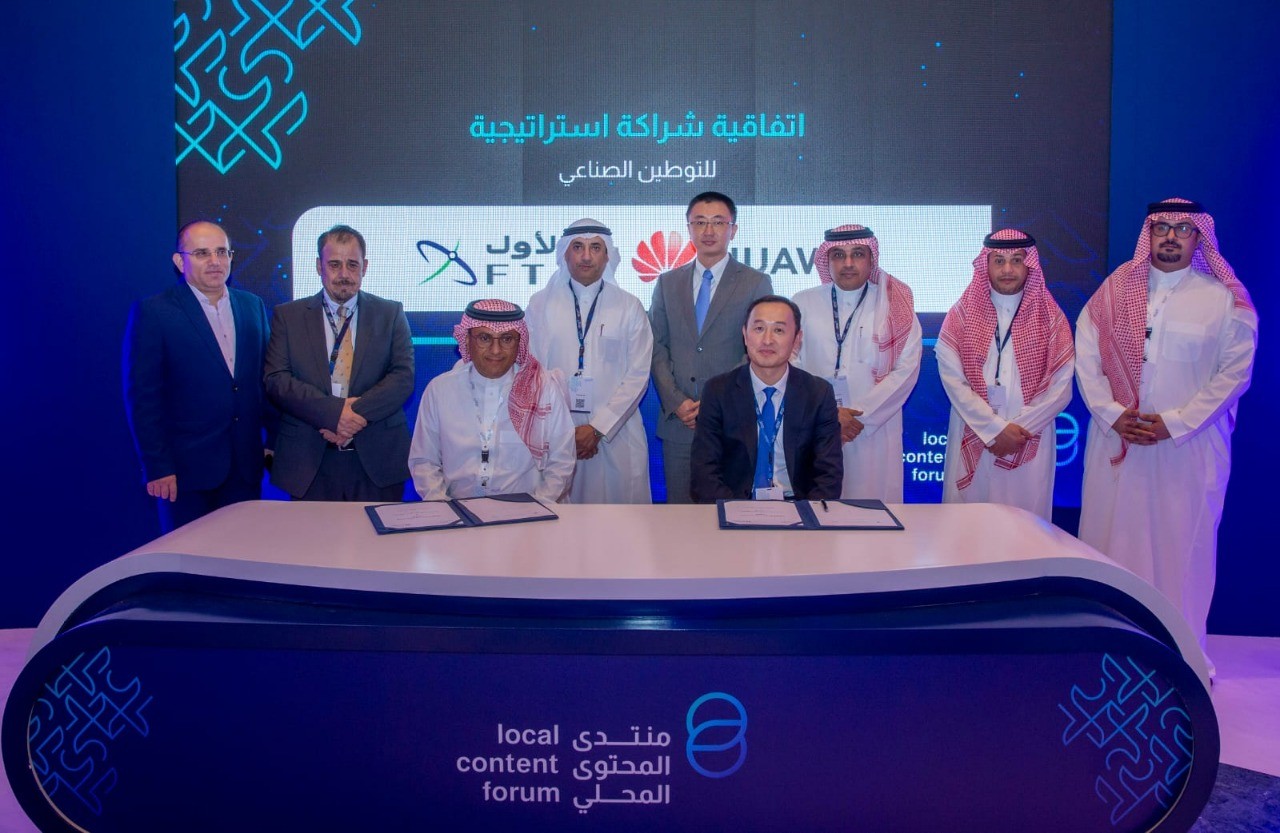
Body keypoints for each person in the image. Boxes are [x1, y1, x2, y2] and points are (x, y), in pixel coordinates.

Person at [1077, 198, 1257, 667]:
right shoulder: (1114, 291)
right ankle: (1109, 653)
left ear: (1199, 237)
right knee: (1112, 545)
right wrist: (1112, 413)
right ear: (1149, 234)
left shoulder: (1223, 300)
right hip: (1119, 441)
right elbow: (1087, 357)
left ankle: (1184, 658)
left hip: (1188, 449)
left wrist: (1175, 423)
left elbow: (1235, 373)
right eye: (1162, 227)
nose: (1172, 237)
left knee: (1183, 553)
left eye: (1183, 228)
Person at [124, 220, 274, 532]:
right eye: (202, 253)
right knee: (188, 559)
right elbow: (143, 399)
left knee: (243, 553)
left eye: (222, 252)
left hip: (245, 468)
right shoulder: (155, 312)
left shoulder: (252, 306)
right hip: (184, 474)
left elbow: (266, 381)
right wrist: (157, 466)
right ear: (180, 261)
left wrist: (272, 440)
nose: (215, 261)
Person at [264, 224, 414, 501]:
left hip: (377, 460)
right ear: (318, 267)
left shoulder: (390, 313)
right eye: (334, 264)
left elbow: (402, 378)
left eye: (352, 264)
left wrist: (351, 416)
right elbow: (277, 380)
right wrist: (332, 414)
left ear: (364, 267)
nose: (344, 274)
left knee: (377, 532)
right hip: (309, 461)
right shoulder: (288, 316)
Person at [937, 229, 1074, 521]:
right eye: (999, 260)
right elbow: (952, 378)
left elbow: (1062, 386)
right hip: (973, 429)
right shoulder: (961, 314)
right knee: (968, 526)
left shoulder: (1051, 317)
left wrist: (1018, 430)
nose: (1007, 269)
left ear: (1029, 265)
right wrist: (992, 429)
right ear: (986, 265)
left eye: (1016, 260)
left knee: (1024, 525)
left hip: (1028, 435)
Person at [649, 191, 773, 503]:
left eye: (718, 222)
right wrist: (676, 401)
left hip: (731, 421)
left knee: (730, 515)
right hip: (679, 423)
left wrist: (715, 402)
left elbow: (757, 349)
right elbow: (656, 346)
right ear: (689, 229)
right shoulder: (667, 283)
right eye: (700, 222)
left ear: (733, 230)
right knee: (680, 515)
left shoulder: (755, 282)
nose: (708, 231)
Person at [525, 219, 653, 503]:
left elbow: (638, 376)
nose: (586, 256)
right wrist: (562, 429)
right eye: (577, 247)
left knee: (621, 521)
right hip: (557, 434)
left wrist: (597, 428)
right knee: (559, 517)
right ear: (564, 254)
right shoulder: (539, 305)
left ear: (607, 256)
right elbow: (532, 371)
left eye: (595, 247)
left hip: (616, 434)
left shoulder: (629, 307)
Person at [792, 225, 922, 501]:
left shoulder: (894, 305)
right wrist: (829, 414)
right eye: (839, 255)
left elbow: (906, 370)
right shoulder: (802, 302)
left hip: (874, 432)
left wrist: (860, 416)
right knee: (817, 507)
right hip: (815, 425)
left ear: (871, 259)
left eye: (858, 254)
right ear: (827, 260)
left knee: (871, 511)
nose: (848, 263)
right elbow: (791, 363)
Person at [409, 299, 575, 503]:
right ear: (467, 339)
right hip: (457, 510)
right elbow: (424, 461)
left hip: (527, 510)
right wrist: (442, 507)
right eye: (484, 338)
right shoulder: (440, 390)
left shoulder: (544, 389)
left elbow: (562, 461)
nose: (496, 350)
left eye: (507, 339)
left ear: (519, 342)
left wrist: (538, 506)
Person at [691, 296, 842, 502]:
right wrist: (737, 512)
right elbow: (704, 472)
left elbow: (829, 474)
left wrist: (807, 513)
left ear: (797, 339)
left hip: (799, 505)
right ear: (745, 335)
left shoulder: (818, 393)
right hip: (735, 504)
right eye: (759, 328)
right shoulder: (718, 391)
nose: (767, 340)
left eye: (779, 330)